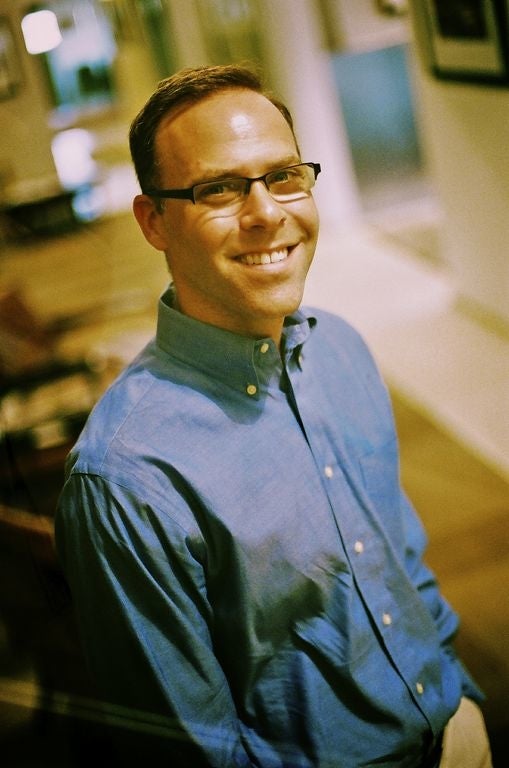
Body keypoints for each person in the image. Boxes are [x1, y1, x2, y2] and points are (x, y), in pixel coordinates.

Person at [55, 64, 492, 768]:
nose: (265, 213)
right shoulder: (125, 479)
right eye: (220, 189)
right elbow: (191, 749)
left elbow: (398, 562)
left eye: (284, 176)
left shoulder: (340, 349)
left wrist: (461, 698)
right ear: (154, 221)